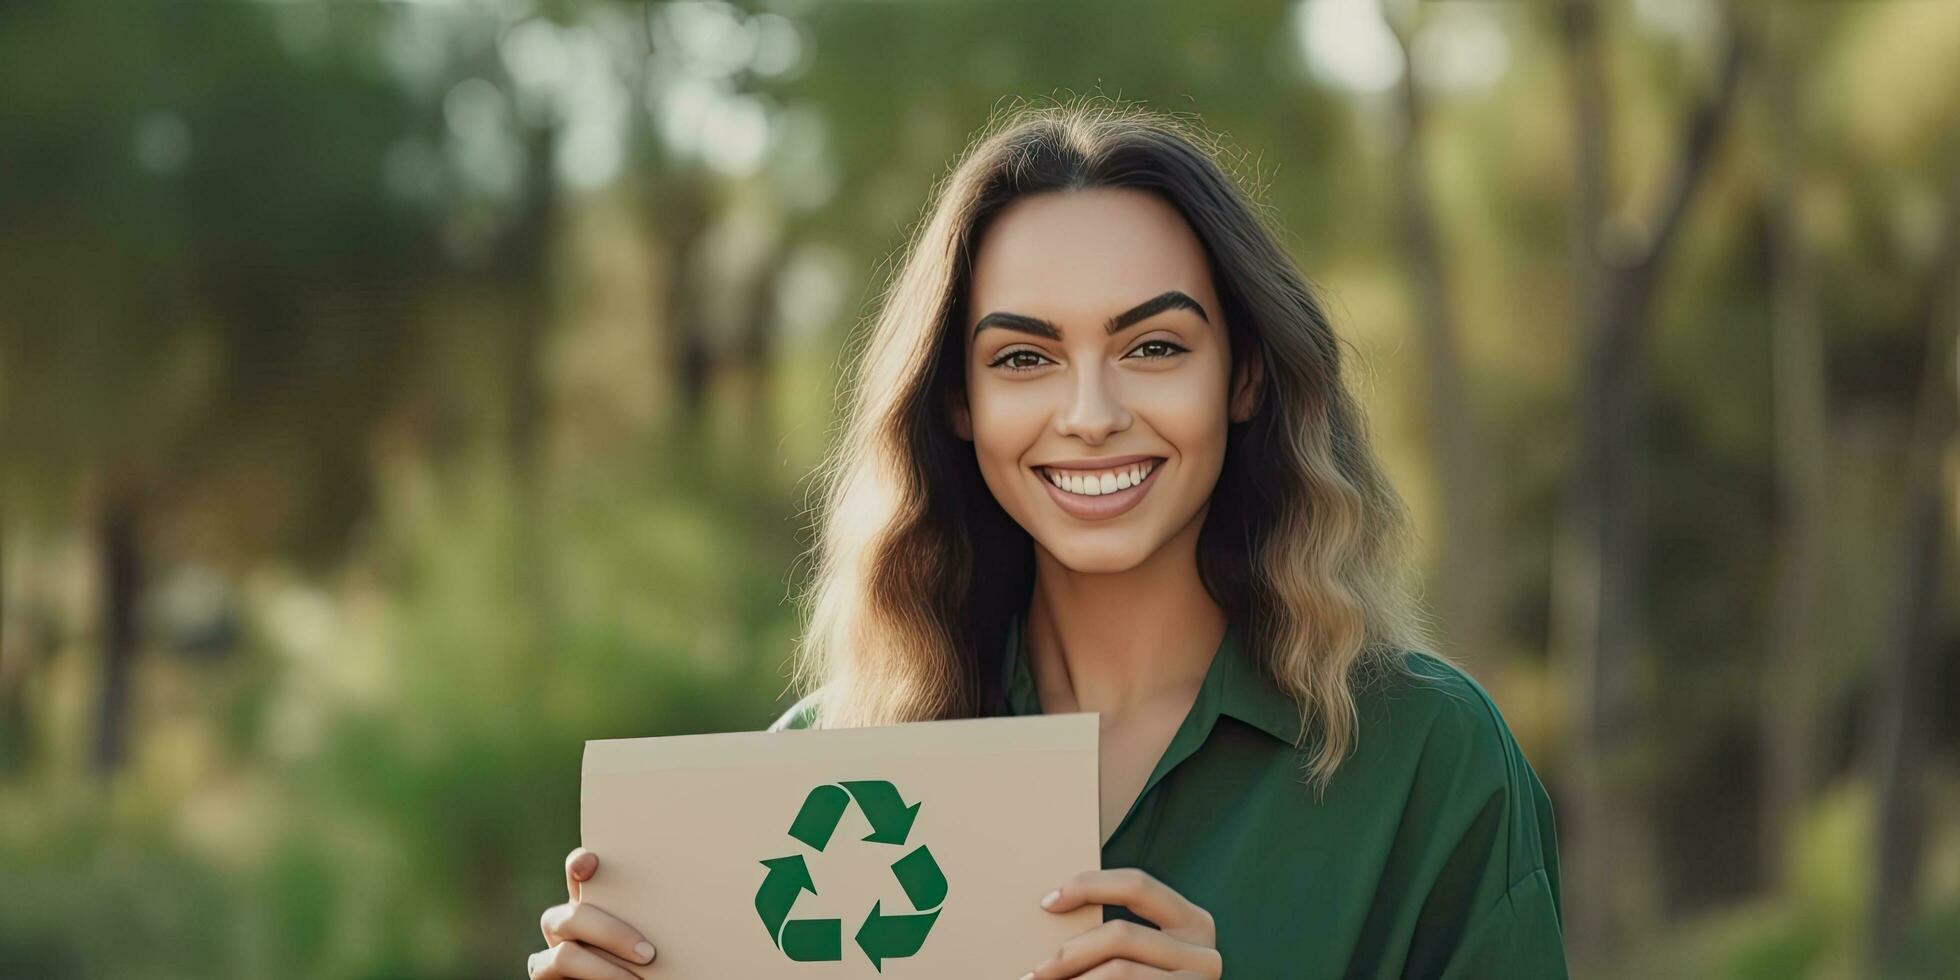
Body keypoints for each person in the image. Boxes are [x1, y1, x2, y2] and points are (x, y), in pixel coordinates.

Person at [529, 101, 1567, 979]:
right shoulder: (824, 767)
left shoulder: (1424, 758)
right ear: (958, 402)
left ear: (1244, 375)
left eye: (1153, 345)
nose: (1091, 411)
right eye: (1024, 357)